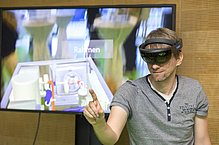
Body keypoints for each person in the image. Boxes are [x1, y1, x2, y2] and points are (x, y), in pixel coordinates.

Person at [83, 28, 211, 145]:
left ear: (179, 58)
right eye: (150, 57)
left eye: (162, 57)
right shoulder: (129, 91)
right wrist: (99, 124)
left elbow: (202, 140)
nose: (154, 66)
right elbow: (110, 139)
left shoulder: (194, 89)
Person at [1, 11, 18, 99]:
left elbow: (14, 28)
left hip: (10, 51)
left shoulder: (8, 14)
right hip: (9, 49)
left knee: (16, 79)